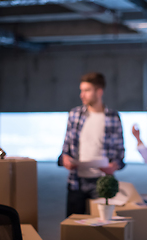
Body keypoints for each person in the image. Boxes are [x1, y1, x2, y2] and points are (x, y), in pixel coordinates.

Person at [58, 72, 125, 217]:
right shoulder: (75, 115)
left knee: (102, 228)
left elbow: (120, 153)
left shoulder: (113, 117)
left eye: (87, 90)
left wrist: (115, 165)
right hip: (76, 181)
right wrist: (64, 158)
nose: (82, 95)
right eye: (81, 90)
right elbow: (66, 147)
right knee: (74, 226)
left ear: (99, 91)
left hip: (102, 182)